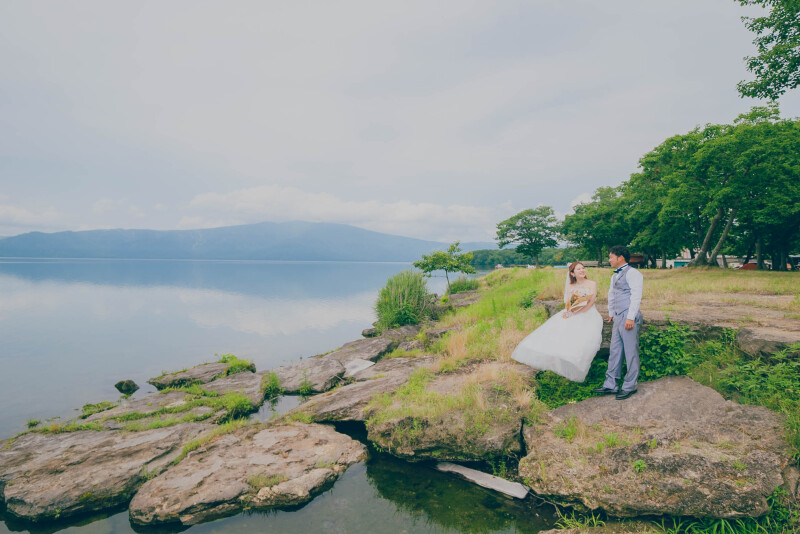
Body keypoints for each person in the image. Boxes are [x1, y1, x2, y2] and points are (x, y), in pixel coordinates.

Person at [511, 261, 603, 382]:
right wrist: (571, 311)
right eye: (578, 269)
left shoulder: (592, 284)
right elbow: (568, 302)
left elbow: (591, 302)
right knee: (558, 329)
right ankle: (555, 364)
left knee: (582, 336)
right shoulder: (571, 286)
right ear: (572, 273)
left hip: (588, 313)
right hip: (572, 311)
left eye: (583, 268)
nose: (582, 270)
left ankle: (574, 364)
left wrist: (579, 312)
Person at [593, 246, 644, 400]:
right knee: (615, 351)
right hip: (617, 317)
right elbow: (611, 295)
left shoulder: (634, 274)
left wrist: (630, 317)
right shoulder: (614, 276)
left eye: (611, 257)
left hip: (628, 316)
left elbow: (636, 296)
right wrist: (611, 313)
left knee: (630, 352)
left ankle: (630, 386)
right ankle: (611, 384)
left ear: (620, 257)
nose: (609, 260)